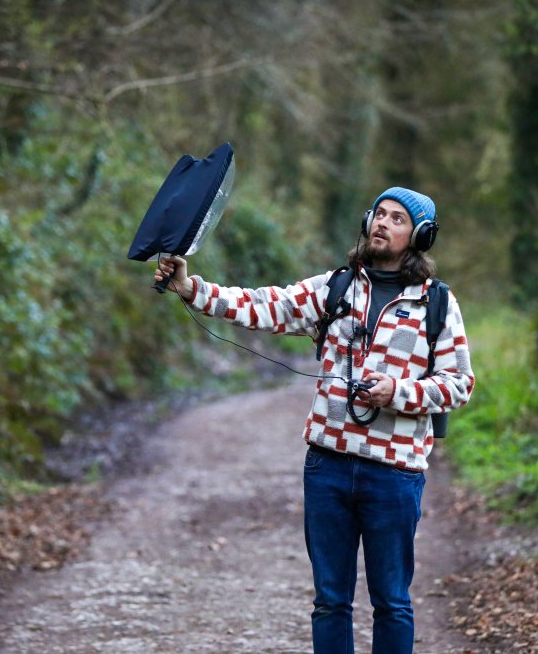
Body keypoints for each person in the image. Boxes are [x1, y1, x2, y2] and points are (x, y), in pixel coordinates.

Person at [154, 186, 474, 654]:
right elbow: (263, 305)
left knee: (392, 603)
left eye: (397, 219)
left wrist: (400, 393)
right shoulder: (335, 288)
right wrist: (190, 287)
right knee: (330, 602)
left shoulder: (438, 306)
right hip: (327, 468)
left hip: (396, 474)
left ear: (420, 236)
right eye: (379, 214)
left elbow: (459, 384)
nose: (383, 224)